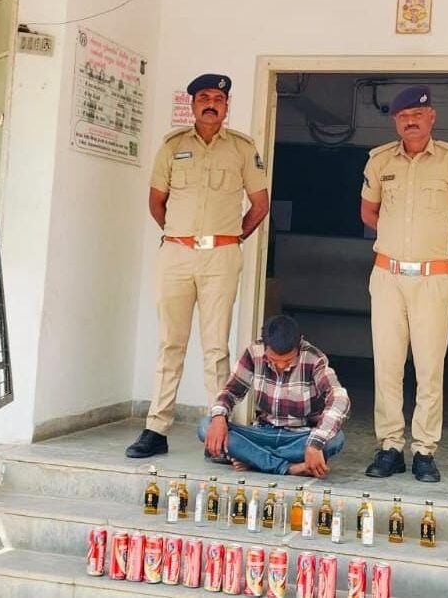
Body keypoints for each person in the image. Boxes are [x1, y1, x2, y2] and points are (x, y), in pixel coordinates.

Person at [126, 73, 269, 458]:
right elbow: (157, 202)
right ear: (192, 105)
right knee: (170, 344)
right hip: (176, 254)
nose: (210, 104)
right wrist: (180, 235)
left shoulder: (242, 148)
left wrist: (232, 238)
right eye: (203, 97)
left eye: (218, 99)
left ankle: (217, 432)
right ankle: (156, 429)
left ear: (226, 106)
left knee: (216, 347)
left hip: (221, 256)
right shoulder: (172, 147)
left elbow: (260, 204)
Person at [360, 85, 448, 482]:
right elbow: (369, 212)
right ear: (396, 121)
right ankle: (390, 447)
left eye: (417, 114)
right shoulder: (380, 161)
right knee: (387, 365)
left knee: (429, 368)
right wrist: (399, 234)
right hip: (388, 276)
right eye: (403, 116)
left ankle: (425, 450)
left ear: (431, 117)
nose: (410, 121)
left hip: (432, 278)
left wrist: (431, 234)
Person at [199, 315, 350, 477]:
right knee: (206, 426)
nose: (281, 366)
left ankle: (253, 458)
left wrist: (314, 444)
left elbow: (340, 399)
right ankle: (288, 467)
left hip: (299, 436)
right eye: (274, 360)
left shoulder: (314, 359)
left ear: (299, 343)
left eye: (288, 361)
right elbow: (230, 391)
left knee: (335, 440)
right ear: (265, 345)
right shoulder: (254, 352)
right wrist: (219, 418)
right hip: (263, 432)